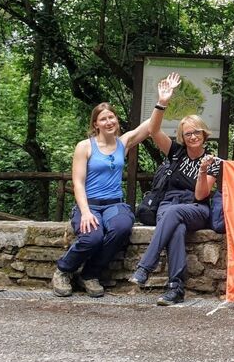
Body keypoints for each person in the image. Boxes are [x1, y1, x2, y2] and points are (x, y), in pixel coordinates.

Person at [52, 73, 180, 298]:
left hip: (114, 205)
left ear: (116, 121)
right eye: (103, 119)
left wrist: (163, 101)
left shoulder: (124, 143)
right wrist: (84, 212)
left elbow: (151, 126)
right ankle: (63, 270)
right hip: (89, 204)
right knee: (92, 237)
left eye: (111, 117)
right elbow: (78, 182)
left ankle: (90, 274)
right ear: (96, 124)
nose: (109, 122)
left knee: (121, 228)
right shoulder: (85, 146)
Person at [128, 106, 222, 305]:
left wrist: (203, 171)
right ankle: (175, 288)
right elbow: (153, 130)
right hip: (169, 203)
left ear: (204, 133)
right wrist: (161, 103)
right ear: (182, 136)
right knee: (176, 229)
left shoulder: (212, 160)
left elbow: (201, 195)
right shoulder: (176, 153)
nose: (193, 136)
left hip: (195, 208)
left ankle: (145, 266)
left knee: (174, 213)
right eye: (188, 133)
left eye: (196, 131)